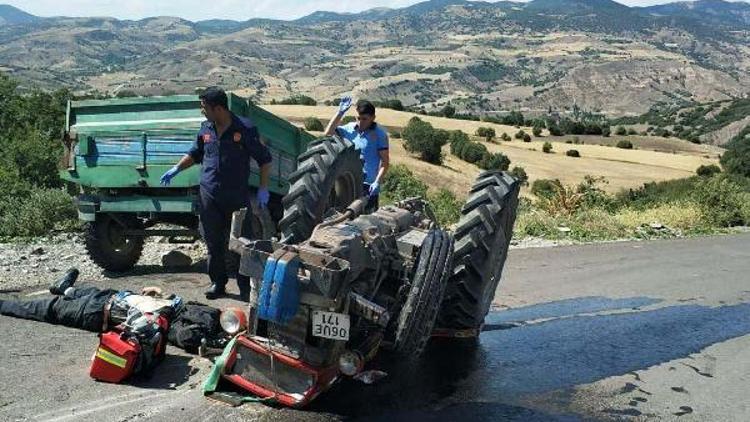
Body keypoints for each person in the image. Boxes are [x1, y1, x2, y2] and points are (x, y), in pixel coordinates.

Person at [160, 88, 272, 301]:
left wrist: (263, 188)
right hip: (209, 195)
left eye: (204, 107)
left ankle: (246, 287)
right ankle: (217, 283)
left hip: (236, 197)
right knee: (213, 242)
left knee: (242, 243)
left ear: (218, 108)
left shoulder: (245, 129)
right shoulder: (206, 129)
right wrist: (176, 169)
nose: (202, 111)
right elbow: (195, 154)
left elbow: (265, 160)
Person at [0, 268, 224, 353]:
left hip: (100, 311)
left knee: (47, 308)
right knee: (84, 293)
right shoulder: (178, 307)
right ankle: (65, 288)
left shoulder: (177, 325)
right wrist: (157, 292)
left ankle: (4, 305)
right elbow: (167, 301)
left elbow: (187, 338)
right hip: (113, 298)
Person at [325, 97, 390, 211]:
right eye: (358, 118)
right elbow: (328, 133)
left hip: (368, 187)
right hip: (348, 183)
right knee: (343, 219)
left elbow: (385, 162)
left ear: (373, 118)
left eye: (364, 119)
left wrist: (377, 182)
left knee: (367, 224)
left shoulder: (380, 135)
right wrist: (340, 113)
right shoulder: (349, 129)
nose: (360, 122)